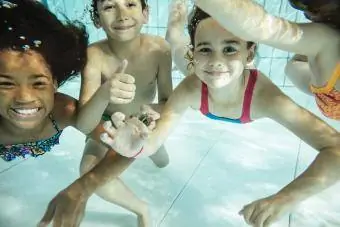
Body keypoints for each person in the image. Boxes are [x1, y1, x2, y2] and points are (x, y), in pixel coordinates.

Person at [100, 6, 340, 227]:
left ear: (249, 54)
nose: (216, 61)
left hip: (225, 85)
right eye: (205, 49)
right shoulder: (191, 86)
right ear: (195, 53)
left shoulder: (265, 97)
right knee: (175, 40)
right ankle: (177, 23)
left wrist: (286, 198)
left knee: (185, 49)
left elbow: (336, 148)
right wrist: (135, 148)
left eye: (230, 49)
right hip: (198, 78)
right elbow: (154, 141)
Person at [0, 1, 131, 226]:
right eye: (5, 84)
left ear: (55, 83)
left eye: (39, 83)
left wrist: (82, 188)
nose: (24, 97)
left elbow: (125, 147)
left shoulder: (63, 111)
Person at [78, 0, 173, 225]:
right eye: (109, 7)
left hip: (143, 122)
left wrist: (149, 117)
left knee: (163, 164)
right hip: (106, 125)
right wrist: (103, 94)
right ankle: (141, 209)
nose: (122, 14)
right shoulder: (94, 55)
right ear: (97, 19)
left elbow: (168, 101)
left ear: (145, 14)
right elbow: (83, 124)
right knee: (87, 171)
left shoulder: (160, 49)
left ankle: (155, 155)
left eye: (130, 4)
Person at [192, 0, 339, 120]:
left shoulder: (327, 39)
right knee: (294, 66)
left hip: (331, 98)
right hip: (329, 96)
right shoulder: (327, 38)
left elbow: (258, 26)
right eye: (298, 3)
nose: (307, 12)